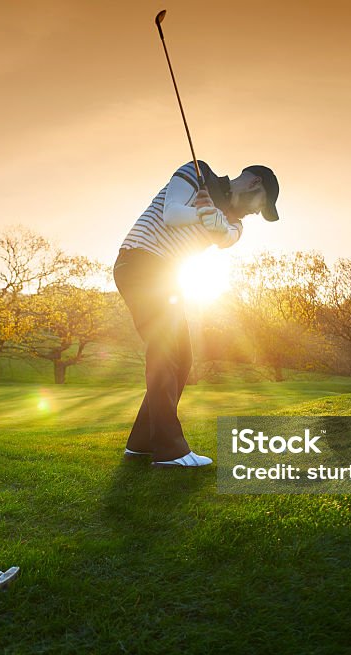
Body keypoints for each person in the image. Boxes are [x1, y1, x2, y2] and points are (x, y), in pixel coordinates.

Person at [113, 160, 280, 467]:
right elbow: (172, 213)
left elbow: (227, 237)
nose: (256, 213)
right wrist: (203, 215)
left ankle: (141, 443)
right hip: (140, 261)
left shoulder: (235, 223)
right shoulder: (197, 172)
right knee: (165, 351)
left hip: (165, 278)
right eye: (260, 206)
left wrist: (214, 218)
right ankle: (169, 450)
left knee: (182, 358)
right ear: (255, 185)